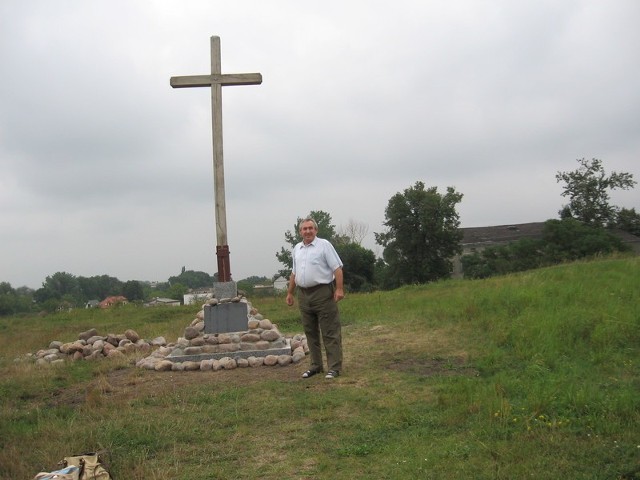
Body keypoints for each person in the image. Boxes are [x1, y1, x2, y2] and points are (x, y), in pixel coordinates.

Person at [286, 217, 345, 379]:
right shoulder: (297, 248)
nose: (307, 231)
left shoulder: (324, 245)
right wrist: (290, 293)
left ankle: (334, 367)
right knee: (310, 332)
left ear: (316, 230)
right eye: (304, 229)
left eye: (310, 228)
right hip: (303, 295)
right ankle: (316, 365)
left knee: (330, 331)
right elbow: (294, 272)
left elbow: (337, 268)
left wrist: (339, 289)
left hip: (323, 293)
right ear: (300, 232)